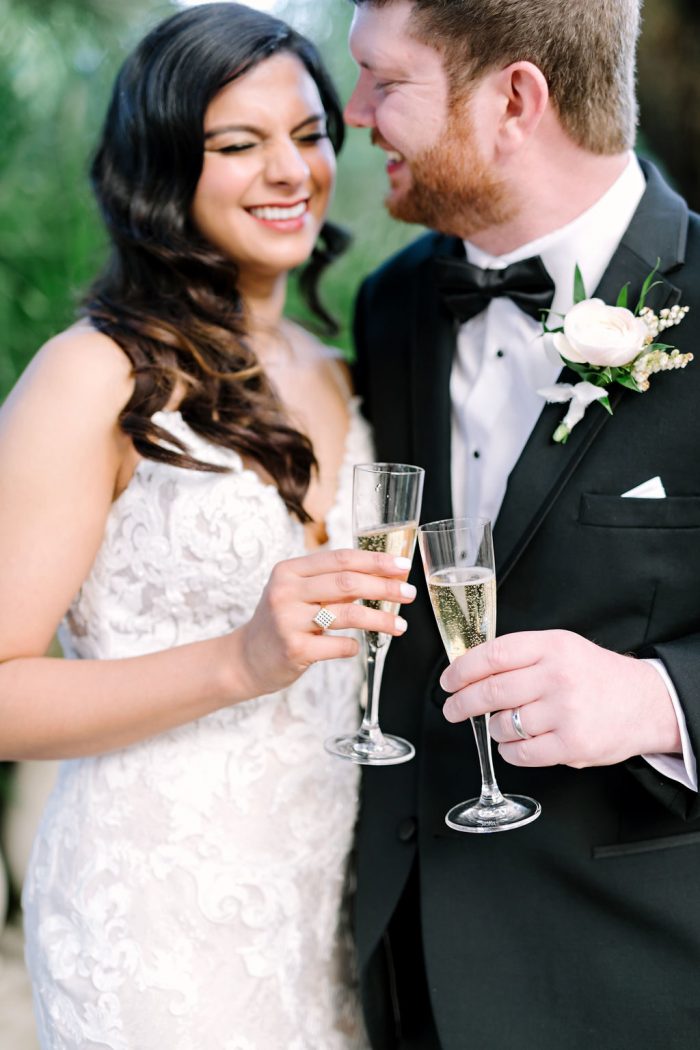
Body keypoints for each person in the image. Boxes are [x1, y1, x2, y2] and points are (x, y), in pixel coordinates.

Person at [0, 4, 420, 1047]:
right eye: (238, 145)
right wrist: (239, 660)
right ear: (159, 167)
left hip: (320, 913)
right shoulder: (93, 374)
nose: (290, 171)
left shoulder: (341, 372)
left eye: (309, 134)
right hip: (153, 917)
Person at [343, 1, 700, 1047]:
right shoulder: (392, 305)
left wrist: (658, 702)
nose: (355, 112)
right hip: (405, 976)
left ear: (513, 100)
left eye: (385, 81)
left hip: (637, 982)